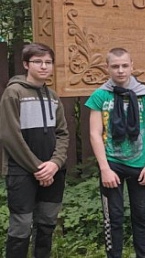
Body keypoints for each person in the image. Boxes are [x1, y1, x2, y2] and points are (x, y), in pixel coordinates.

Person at [85, 48, 145, 258]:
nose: (120, 70)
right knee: (113, 217)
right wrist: (104, 169)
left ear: (132, 66)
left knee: (142, 216)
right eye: (115, 66)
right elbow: (94, 133)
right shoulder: (100, 95)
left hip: (140, 163)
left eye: (124, 65)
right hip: (112, 164)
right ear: (107, 68)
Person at [0, 43, 68, 258]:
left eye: (48, 62)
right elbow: (10, 137)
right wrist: (39, 168)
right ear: (26, 64)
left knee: (47, 223)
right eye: (38, 62)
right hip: (21, 172)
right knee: (21, 226)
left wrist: (55, 164)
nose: (44, 66)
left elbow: (63, 134)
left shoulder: (53, 96)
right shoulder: (14, 93)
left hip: (53, 171)